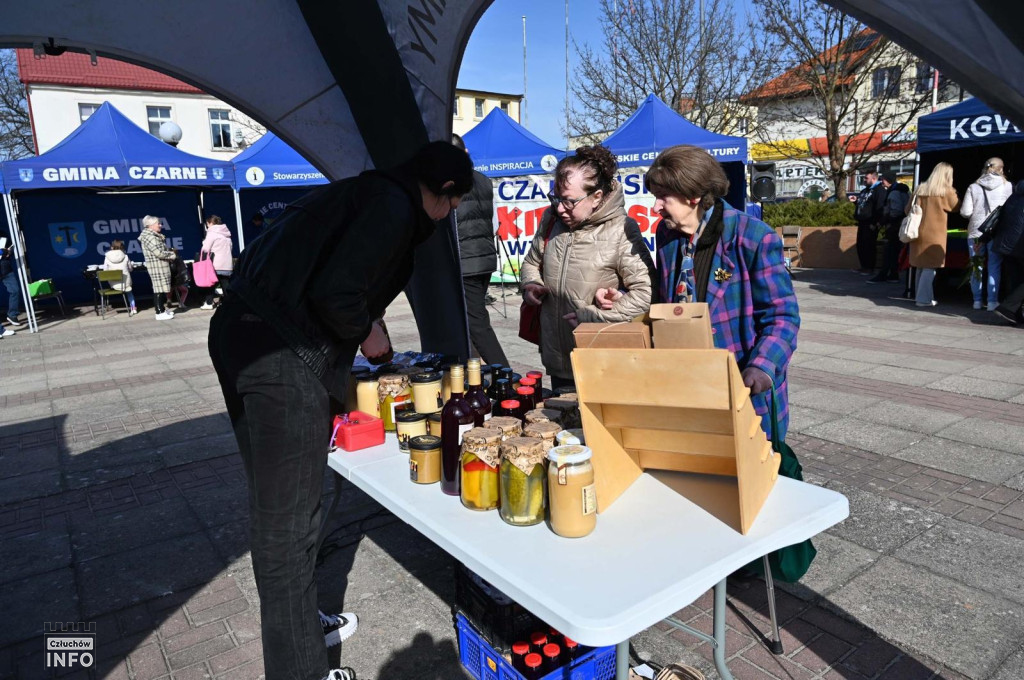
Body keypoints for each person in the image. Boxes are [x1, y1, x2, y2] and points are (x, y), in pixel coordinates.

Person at [208, 141, 473, 680]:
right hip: (283, 358)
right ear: (443, 192)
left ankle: (300, 626)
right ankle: (300, 667)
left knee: (275, 510)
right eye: (454, 205)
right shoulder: (394, 207)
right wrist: (369, 334)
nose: (449, 217)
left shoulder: (359, 191)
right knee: (288, 533)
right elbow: (337, 293)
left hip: (242, 337)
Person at [643, 144, 799, 439]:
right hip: (686, 387)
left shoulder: (753, 237)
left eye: (664, 198)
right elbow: (664, 299)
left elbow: (783, 317)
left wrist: (762, 366)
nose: (655, 207)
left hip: (741, 390)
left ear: (694, 196)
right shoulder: (667, 233)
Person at [520, 145, 654, 391]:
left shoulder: (621, 230)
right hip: (556, 358)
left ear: (598, 197)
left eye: (569, 201)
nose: (560, 208)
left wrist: (593, 317)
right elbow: (531, 262)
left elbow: (647, 293)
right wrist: (532, 285)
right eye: (557, 198)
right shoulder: (552, 220)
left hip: (601, 362)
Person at [451, 133, 509, 366]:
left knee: (476, 324)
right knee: (465, 322)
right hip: (484, 259)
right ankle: (470, 372)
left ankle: (507, 377)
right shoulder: (484, 180)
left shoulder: (449, 183)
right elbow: (494, 225)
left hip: (466, 262)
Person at [961, 157, 1013, 310]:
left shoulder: (973, 187)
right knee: (994, 266)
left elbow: (965, 212)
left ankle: (976, 301)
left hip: (976, 232)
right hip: (995, 232)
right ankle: (992, 302)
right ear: (1001, 169)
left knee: (976, 267)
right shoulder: (1007, 186)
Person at [909, 162, 958, 308]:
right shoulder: (946, 192)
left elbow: (907, 209)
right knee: (930, 267)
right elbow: (957, 207)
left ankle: (922, 296)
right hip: (935, 234)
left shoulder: (920, 188)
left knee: (920, 266)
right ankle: (923, 299)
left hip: (917, 232)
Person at [988, 181, 1024, 325]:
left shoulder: (1014, 195)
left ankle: (1013, 315)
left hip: (1006, 243)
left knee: (1015, 278)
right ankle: (1007, 308)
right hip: (1019, 243)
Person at [868, 173, 910, 283]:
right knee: (895, 251)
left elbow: (894, 211)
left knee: (889, 250)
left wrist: (885, 221)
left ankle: (883, 274)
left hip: (894, 226)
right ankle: (893, 274)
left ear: (888, 181)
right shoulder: (903, 191)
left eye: (883, 180)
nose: (881, 182)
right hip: (901, 225)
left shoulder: (894, 193)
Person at [138, 215, 178, 320]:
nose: (160, 225)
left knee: (161, 288)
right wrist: (172, 255)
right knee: (158, 289)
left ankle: (162, 310)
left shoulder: (153, 235)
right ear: (150, 225)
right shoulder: (150, 236)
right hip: (157, 266)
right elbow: (159, 253)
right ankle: (159, 312)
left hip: (159, 266)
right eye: (158, 223)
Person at [853, 170, 887, 275]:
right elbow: (864, 204)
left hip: (871, 222)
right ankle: (864, 266)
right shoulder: (865, 190)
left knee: (869, 245)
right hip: (862, 221)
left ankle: (869, 267)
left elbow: (879, 207)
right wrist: (856, 201)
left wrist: (876, 222)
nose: (864, 180)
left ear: (874, 178)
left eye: (866, 178)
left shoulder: (879, 190)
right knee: (861, 244)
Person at [200, 215, 234, 310]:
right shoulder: (226, 233)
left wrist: (204, 242)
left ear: (211, 223)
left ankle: (209, 303)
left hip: (215, 264)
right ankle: (230, 303)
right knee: (225, 284)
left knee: (210, 284)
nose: (207, 226)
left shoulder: (212, 233)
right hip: (227, 264)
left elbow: (206, 248)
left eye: (207, 224)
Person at [102, 239, 138, 316]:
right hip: (125, 283)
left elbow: (105, 270)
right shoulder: (126, 256)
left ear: (112, 247)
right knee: (129, 292)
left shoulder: (107, 257)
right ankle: (133, 308)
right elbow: (130, 269)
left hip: (113, 284)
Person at [0, 231, 22, 333]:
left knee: (15, 291)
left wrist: (8, 252)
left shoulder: (4, 236)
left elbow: (11, 249)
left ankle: (12, 314)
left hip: (6, 270)